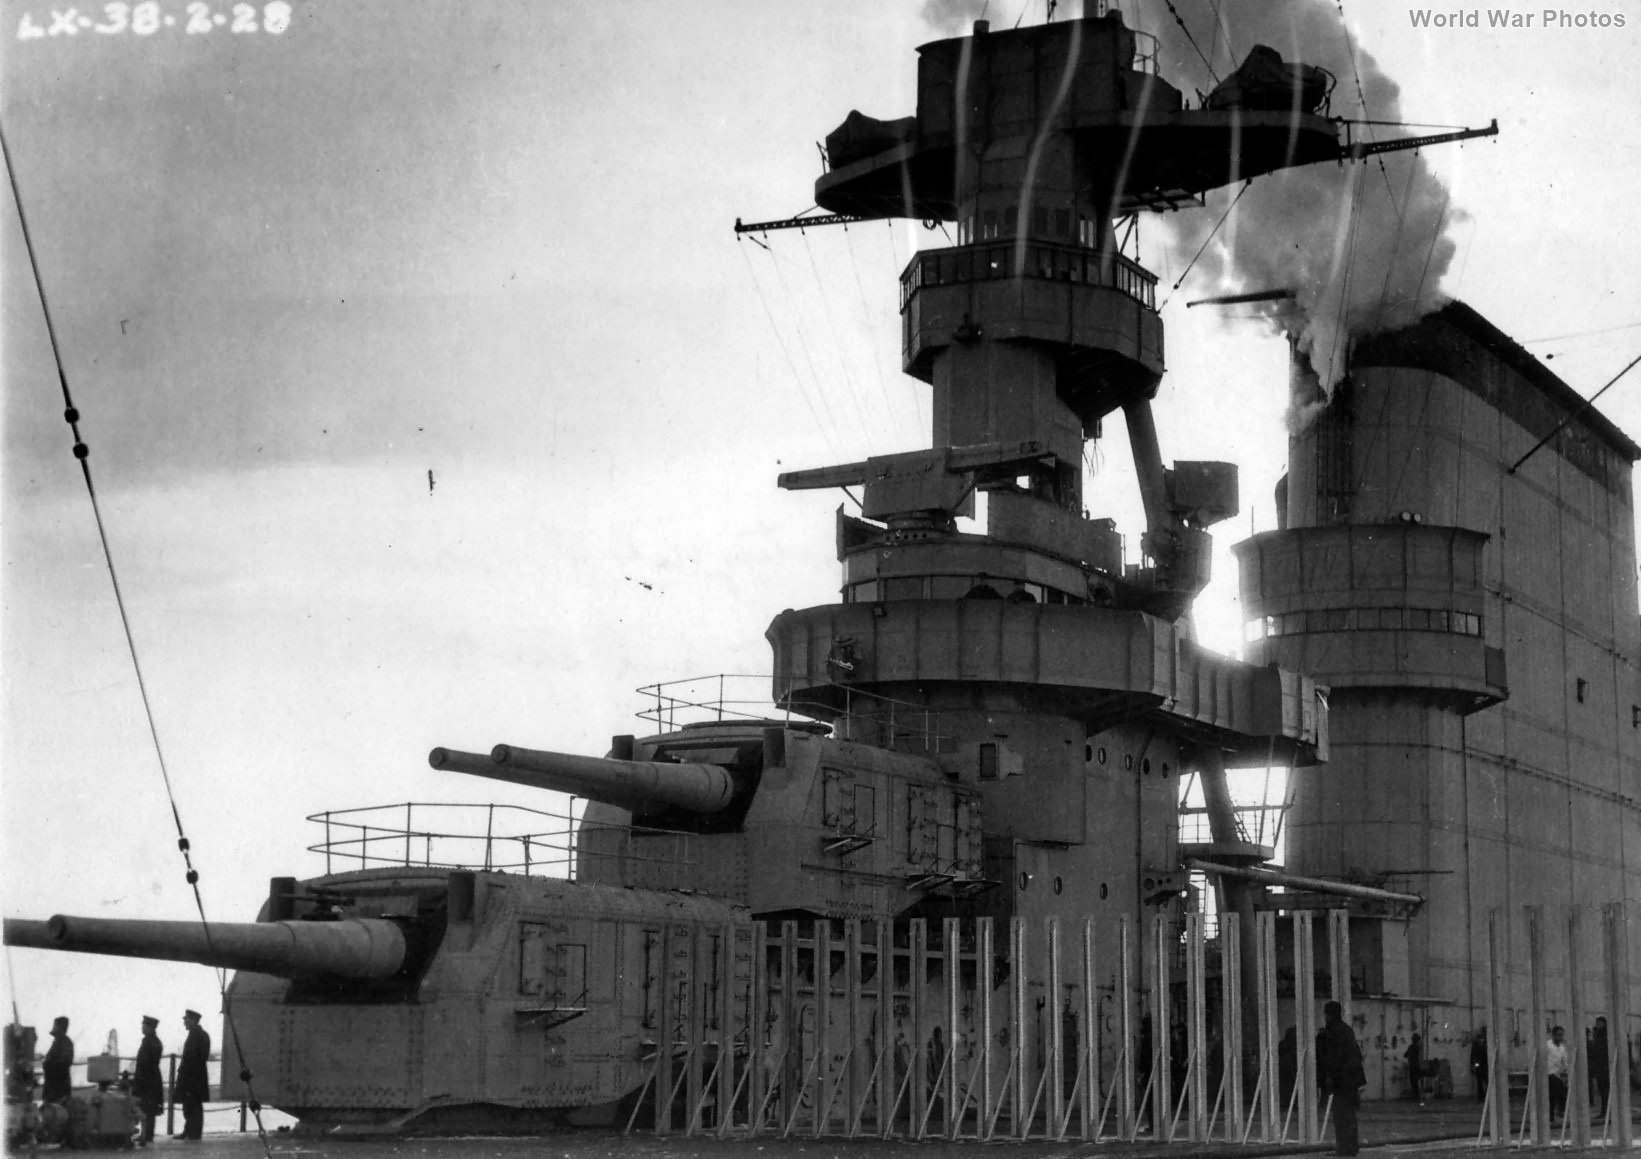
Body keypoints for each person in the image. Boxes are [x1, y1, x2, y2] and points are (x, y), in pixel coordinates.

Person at [1317, 1001, 1366, 1156]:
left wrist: (1330, 1077)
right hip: (1350, 1079)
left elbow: (1332, 1058)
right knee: (1348, 1115)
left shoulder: (1332, 1032)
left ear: (1328, 1014)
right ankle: (1350, 1147)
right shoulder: (1346, 1030)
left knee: (1341, 1116)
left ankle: (1344, 1148)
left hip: (1341, 1079)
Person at [174, 1009, 210, 1141]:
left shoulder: (196, 1036)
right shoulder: (201, 1035)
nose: (184, 1022)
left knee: (192, 1106)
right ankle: (190, 1131)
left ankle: (193, 1133)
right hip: (196, 1077)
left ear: (193, 1020)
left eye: (186, 1019)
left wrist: (186, 1075)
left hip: (192, 1078)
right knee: (191, 1105)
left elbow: (193, 1058)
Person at [132, 1015, 164, 1146]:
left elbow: (145, 1063)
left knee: (147, 1108)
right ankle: (146, 1134)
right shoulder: (154, 1041)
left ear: (150, 1027)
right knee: (147, 1108)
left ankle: (147, 1135)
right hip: (151, 1078)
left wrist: (137, 1079)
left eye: (144, 1025)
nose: (142, 1027)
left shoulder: (149, 1042)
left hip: (147, 1079)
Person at [41, 1016, 73, 1104]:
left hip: (59, 1092)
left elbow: (65, 1063)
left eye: (56, 1025)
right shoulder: (58, 1042)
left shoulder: (65, 1042)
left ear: (60, 1028)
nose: (54, 1027)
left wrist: (48, 1064)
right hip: (51, 1089)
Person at [1545, 1025, 1569, 1124]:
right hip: (1549, 1073)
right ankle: (1551, 1115)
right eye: (1558, 1035)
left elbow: (1564, 1061)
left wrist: (1566, 1072)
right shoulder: (1547, 1046)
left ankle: (1560, 1110)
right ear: (1553, 1035)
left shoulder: (1562, 1048)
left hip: (1558, 1073)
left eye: (1562, 1035)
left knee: (1563, 1092)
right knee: (1552, 1096)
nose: (1560, 1037)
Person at [1590, 1017, 1611, 1121]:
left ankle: (1607, 1111)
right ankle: (1604, 1111)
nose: (1597, 1025)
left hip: (1605, 1067)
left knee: (1606, 1091)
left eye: (1599, 1023)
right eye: (1597, 1023)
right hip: (1599, 1067)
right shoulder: (1597, 1034)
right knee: (1602, 1091)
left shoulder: (1606, 1035)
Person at [1405, 1032, 1426, 1104]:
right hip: (1416, 1067)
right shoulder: (1416, 1047)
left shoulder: (1412, 1047)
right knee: (1415, 1082)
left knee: (1414, 1082)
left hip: (1413, 1067)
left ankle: (1416, 1097)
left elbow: (1405, 1055)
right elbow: (1406, 1054)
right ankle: (1416, 1097)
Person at [1471, 1027, 1490, 1102]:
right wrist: (1474, 1065)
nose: (1481, 1040)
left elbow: (1473, 1056)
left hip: (1483, 1066)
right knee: (1481, 1083)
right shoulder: (1479, 1046)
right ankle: (1482, 1097)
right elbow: (1473, 1056)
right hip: (1481, 1066)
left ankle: (1485, 1097)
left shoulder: (1480, 1046)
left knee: (1485, 1082)